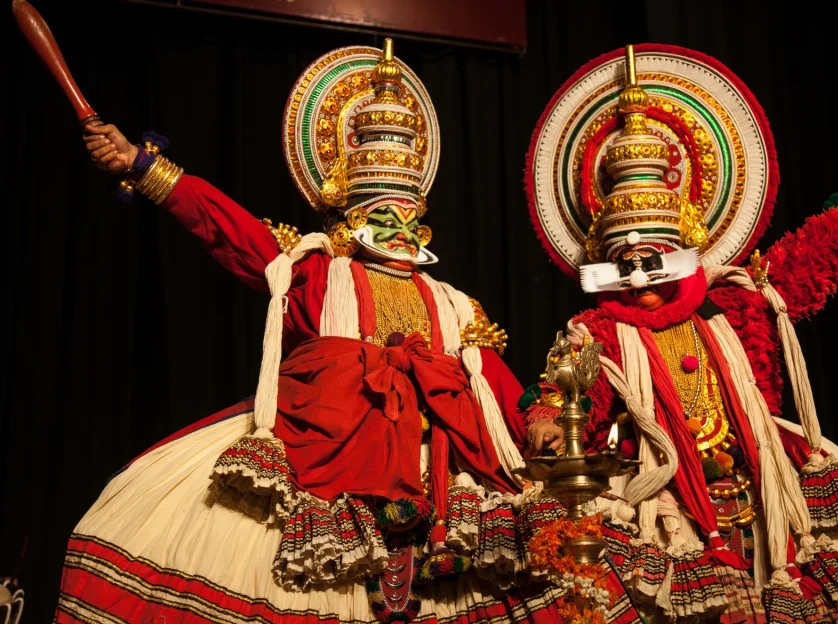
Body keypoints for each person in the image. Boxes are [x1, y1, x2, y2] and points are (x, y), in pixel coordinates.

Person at [56, 40, 641, 624]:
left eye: (406, 215)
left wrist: (538, 422)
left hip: (443, 487)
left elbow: (493, 385)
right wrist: (143, 164)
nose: (395, 228)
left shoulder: (454, 304)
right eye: (380, 213)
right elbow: (229, 231)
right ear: (348, 212)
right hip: (327, 471)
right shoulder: (314, 272)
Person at [521, 44, 838, 623]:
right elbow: (565, 394)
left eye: (654, 259)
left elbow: (799, 267)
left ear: (685, 251)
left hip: (766, 485)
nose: (640, 278)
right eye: (624, 264)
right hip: (667, 505)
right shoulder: (597, 332)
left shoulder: (733, 303)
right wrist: (546, 420)